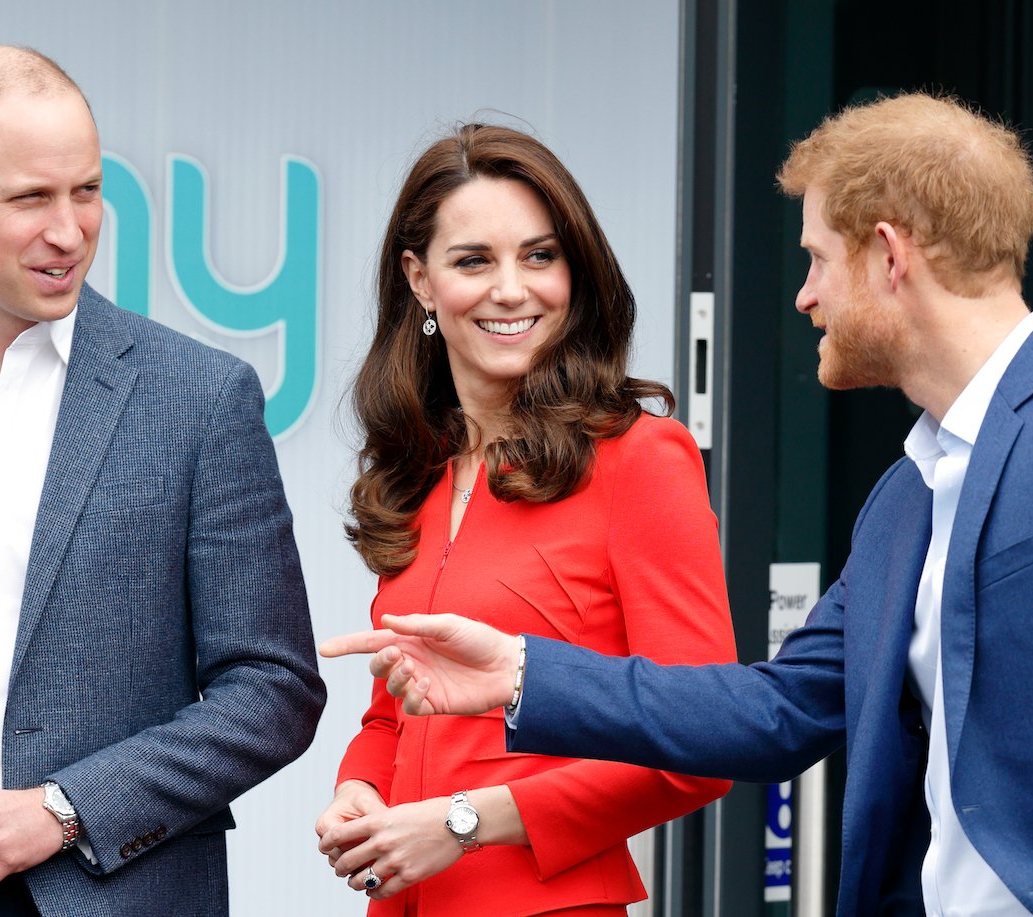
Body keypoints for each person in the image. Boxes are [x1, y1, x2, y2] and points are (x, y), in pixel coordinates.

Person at [321, 93, 1033, 917]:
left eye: (817, 258)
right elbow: (771, 712)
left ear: (886, 256)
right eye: (473, 261)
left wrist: (473, 816)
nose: (803, 296)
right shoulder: (906, 499)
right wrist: (520, 673)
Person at [0, 45, 325, 916]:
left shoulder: (200, 399)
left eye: (87, 190)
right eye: (30, 198)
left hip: (114, 891)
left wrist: (62, 811)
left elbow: (274, 689)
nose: (70, 229)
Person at [314, 124, 737, 917]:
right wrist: (360, 786)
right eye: (474, 260)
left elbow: (703, 743)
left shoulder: (641, 460)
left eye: (540, 256)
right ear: (420, 278)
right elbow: (396, 708)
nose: (513, 288)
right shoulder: (423, 469)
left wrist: (467, 823)